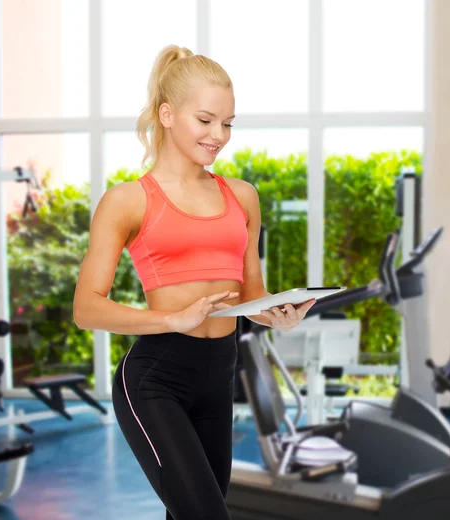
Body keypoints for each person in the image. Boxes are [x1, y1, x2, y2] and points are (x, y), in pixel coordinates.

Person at [73, 44, 316, 520]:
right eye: (205, 120)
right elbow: (86, 307)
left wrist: (276, 315)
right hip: (156, 377)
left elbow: (251, 293)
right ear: (167, 114)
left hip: (218, 374)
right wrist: (171, 318)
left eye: (227, 123)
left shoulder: (242, 196)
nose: (218, 135)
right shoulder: (127, 201)